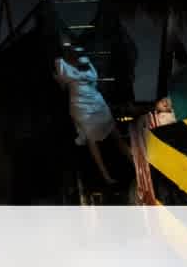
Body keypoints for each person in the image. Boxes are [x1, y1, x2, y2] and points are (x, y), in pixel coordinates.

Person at [53, 46, 131, 185]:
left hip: (96, 101)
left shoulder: (85, 61)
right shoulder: (61, 63)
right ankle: (106, 176)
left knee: (115, 133)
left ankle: (136, 163)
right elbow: (62, 84)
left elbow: (94, 78)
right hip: (81, 105)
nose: (76, 53)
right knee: (91, 139)